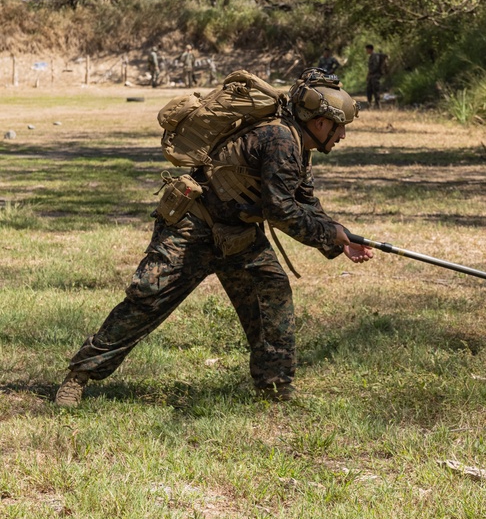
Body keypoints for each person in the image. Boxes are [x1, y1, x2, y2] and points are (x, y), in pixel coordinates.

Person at [54, 68, 375, 407]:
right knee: (147, 301)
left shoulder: (297, 145)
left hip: (237, 235)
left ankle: (275, 389)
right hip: (192, 228)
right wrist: (329, 233)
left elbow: (304, 201)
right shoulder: (280, 140)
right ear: (321, 122)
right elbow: (281, 210)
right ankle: (79, 377)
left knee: (271, 295)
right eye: (340, 127)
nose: (342, 135)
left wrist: (339, 239)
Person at [365, 44, 387, 109]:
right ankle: (369, 104)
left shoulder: (375, 56)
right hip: (372, 75)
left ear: (370, 49)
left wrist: (371, 73)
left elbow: (375, 66)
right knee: (369, 90)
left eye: (367, 49)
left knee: (376, 90)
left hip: (375, 76)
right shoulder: (371, 56)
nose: (366, 51)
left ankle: (378, 105)